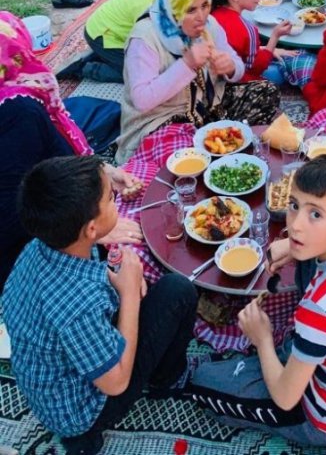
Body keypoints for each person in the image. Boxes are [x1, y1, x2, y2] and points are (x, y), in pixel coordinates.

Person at [191, 155, 326, 447]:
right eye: (294, 205)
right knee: (307, 256)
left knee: (203, 381)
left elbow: (286, 399)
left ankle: (272, 360)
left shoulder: (320, 309)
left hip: (325, 420)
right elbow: (316, 239)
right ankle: (289, 354)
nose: (296, 225)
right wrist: (292, 246)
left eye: (315, 214)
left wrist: (262, 339)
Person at [3, 154, 197, 455]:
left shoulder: (40, 246)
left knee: (140, 290)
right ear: (91, 228)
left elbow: (75, 283)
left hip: (49, 381)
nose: (116, 198)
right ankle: (168, 379)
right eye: (110, 198)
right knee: (177, 290)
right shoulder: (77, 303)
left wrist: (117, 279)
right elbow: (116, 383)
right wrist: (130, 293)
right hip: (82, 411)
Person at [0, 13, 143, 289]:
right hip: (41, 254)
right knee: (137, 255)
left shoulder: (23, 106)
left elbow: (53, 154)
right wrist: (94, 232)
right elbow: (16, 214)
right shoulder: (18, 113)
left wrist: (101, 170)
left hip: (67, 221)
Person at [116, 0, 279, 162]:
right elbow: (142, 100)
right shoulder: (145, 38)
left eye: (204, 6)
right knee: (184, 155)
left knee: (266, 91)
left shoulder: (209, 25)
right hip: (163, 121)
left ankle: (219, 152)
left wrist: (231, 67)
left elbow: (237, 65)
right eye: (191, 10)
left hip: (208, 108)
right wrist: (186, 65)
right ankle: (215, 157)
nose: (201, 16)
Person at [71, 0, 191, 83]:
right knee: (142, 75)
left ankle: (103, 55)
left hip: (111, 27)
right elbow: (150, 41)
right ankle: (86, 68)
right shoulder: (148, 7)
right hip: (102, 34)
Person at [210, 0, 316, 87]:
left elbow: (237, 49)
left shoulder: (213, 15)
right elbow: (257, 67)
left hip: (218, 78)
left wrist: (270, 49)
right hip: (237, 84)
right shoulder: (247, 29)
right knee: (289, 68)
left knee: (283, 55)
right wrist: (275, 37)